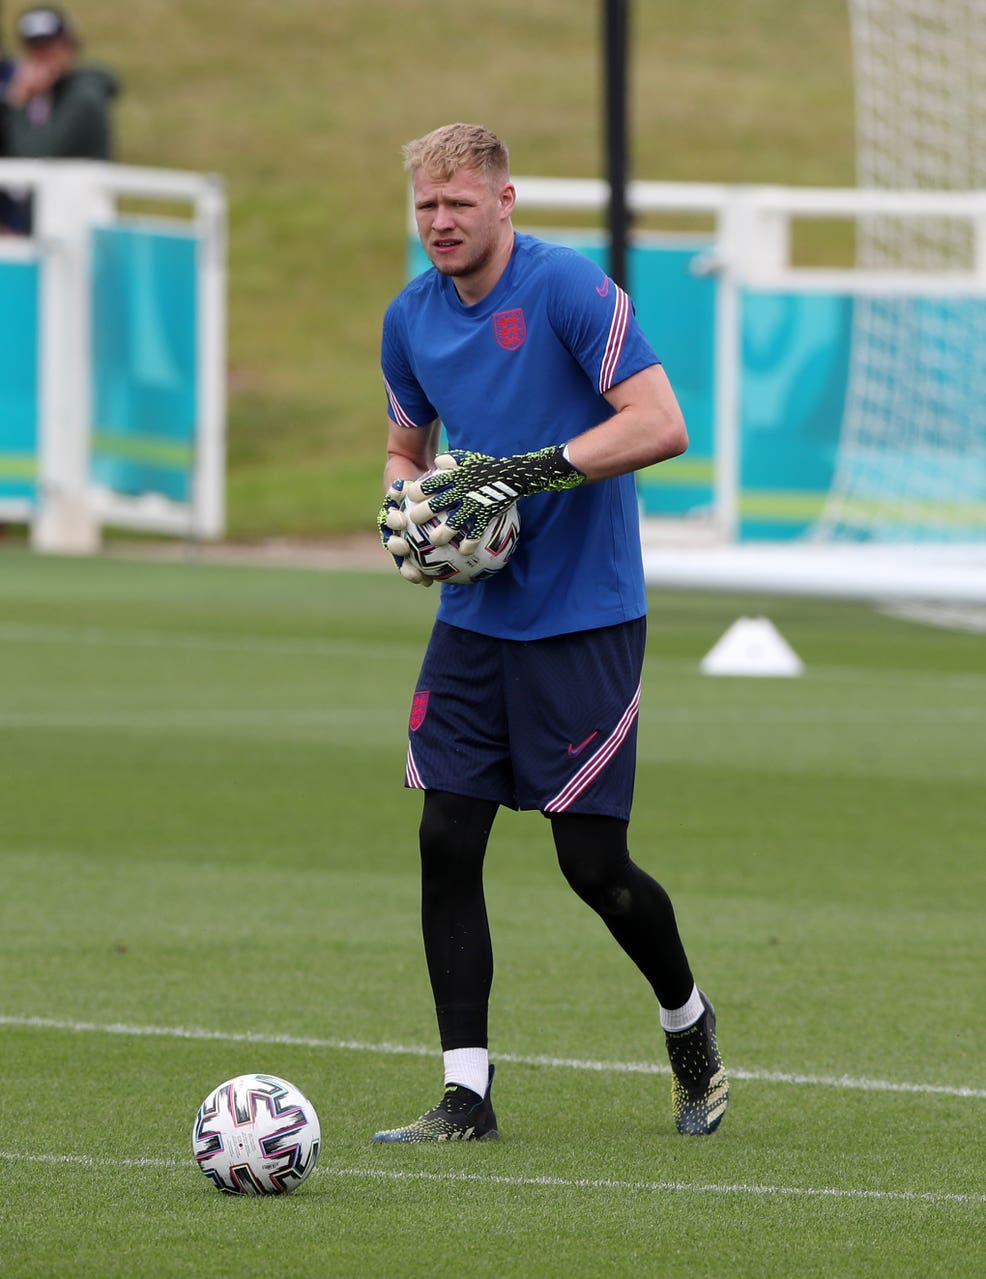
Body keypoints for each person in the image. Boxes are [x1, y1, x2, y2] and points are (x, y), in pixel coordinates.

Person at [374, 123, 728, 1143]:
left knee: (592, 865)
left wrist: (518, 476)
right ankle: (465, 1095)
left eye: (459, 203)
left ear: (504, 201)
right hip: (474, 619)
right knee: (445, 838)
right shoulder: (409, 317)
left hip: (585, 613)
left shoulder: (568, 288)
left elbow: (660, 422)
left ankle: (688, 1023)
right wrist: (410, 511)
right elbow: (405, 448)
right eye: (426, 205)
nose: (441, 222)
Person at [0, 5, 119, 234]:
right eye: (35, 47)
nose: (42, 56)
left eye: (50, 46)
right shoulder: (47, 97)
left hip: (81, 223)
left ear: (69, 45)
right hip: (53, 223)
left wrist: (18, 103)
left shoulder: (84, 99)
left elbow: (33, 158)